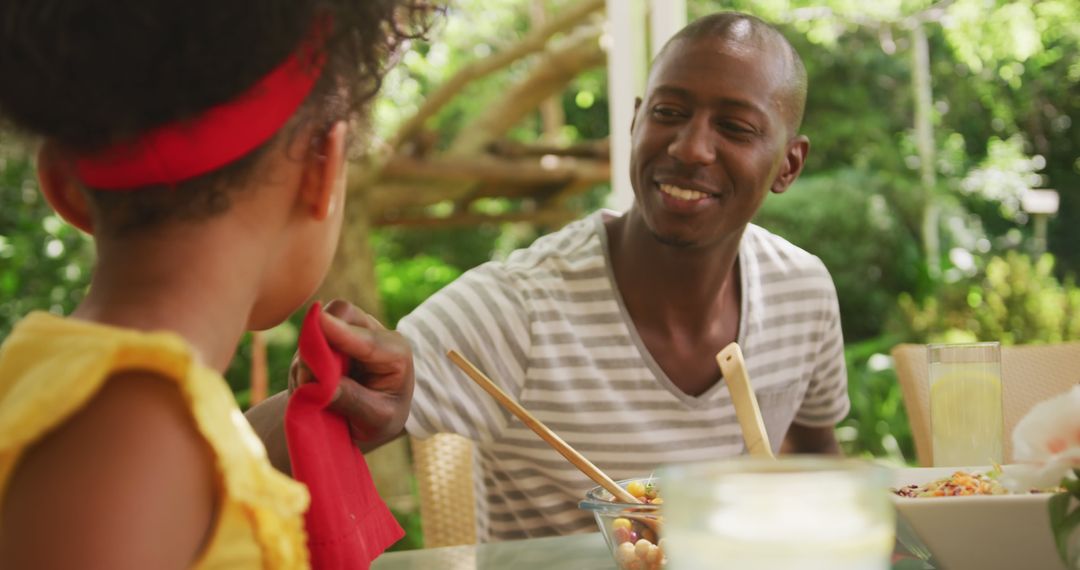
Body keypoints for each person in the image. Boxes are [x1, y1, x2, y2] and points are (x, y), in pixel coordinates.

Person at [252, 10, 850, 543]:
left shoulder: (803, 291)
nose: (692, 148)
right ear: (637, 123)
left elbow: (813, 454)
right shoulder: (519, 308)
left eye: (736, 129)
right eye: (670, 113)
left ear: (788, 165)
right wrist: (333, 397)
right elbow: (251, 449)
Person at [0, 1, 425, 568]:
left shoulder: (91, 397)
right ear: (323, 169)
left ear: (61, 187)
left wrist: (313, 422)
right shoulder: (130, 439)